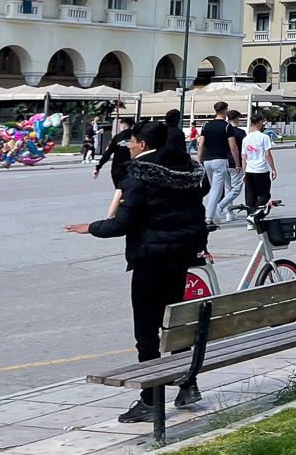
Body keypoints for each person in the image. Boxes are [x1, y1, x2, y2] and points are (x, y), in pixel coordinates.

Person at [64, 121, 209, 418]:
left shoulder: (139, 174)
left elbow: (122, 223)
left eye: (131, 141)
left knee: (147, 331)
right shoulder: (188, 169)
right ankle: (187, 382)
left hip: (150, 258)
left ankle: (150, 398)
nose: (128, 146)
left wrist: (90, 228)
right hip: (181, 256)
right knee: (175, 322)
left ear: (142, 145)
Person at [197, 101, 240, 227]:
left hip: (207, 161)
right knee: (216, 189)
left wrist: (199, 162)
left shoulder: (206, 126)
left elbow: (200, 146)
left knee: (213, 189)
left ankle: (211, 215)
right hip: (219, 160)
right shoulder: (227, 127)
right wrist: (237, 163)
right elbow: (233, 147)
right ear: (225, 110)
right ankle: (209, 218)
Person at [241, 112, 278, 213]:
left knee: (250, 196)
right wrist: (273, 168)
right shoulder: (264, 137)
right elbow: (268, 154)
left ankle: (250, 216)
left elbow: (244, 157)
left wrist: (244, 172)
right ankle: (254, 213)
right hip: (261, 170)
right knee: (264, 195)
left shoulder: (246, 139)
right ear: (261, 122)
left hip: (249, 170)